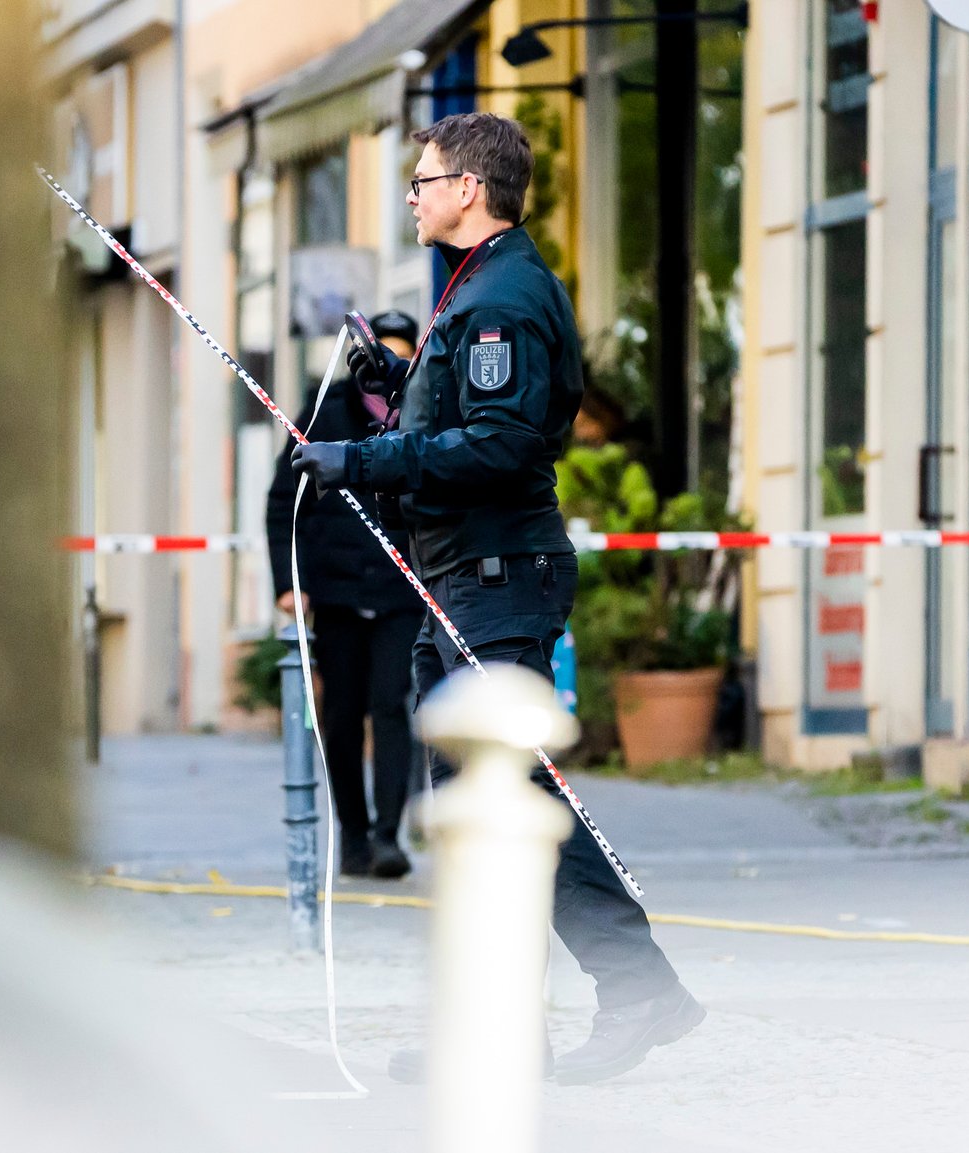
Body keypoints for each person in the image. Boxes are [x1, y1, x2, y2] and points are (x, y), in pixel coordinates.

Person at [291, 111, 703, 1085]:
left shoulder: (501, 300)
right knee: (497, 802)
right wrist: (396, 382)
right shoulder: (481, 289)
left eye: (424, 179)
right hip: (463, 578)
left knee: (496, 802)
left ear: (467, 189)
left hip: (490, 579)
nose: (414, 195)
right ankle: (566, 1012)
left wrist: (363, 456)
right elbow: (476, 419)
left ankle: (596, 999)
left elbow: (501, 445)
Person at [268, 310, 425, 881]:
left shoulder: (421, 415)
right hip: (334, 591)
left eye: (398, 354)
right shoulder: (320, 415)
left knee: (391, 705)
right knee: (340, 716)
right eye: (377, 353)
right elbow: (283, 501)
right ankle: (352, 835)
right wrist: (290, 583)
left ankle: (388, 835)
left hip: (399, 590)